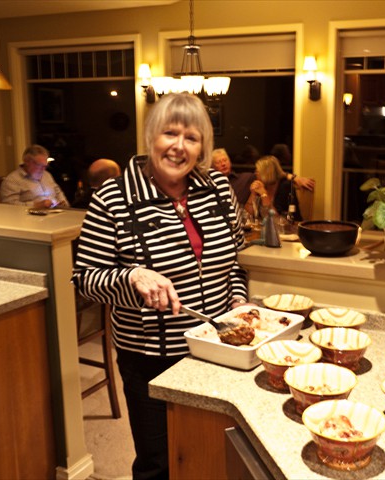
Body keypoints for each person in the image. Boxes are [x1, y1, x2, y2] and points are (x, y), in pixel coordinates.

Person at [72, 93, 249, 480]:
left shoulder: (218, 188)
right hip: (151, 355)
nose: (179, 146)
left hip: (218, 349)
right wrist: (133, 277)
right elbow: (85, 277)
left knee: (209, 451)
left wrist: (238, 301)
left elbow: (234, 259)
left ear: (202, 146)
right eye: (170, 133)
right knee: (159, 462)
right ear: (152, 135)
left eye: (191, 137)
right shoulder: (114, 198)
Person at [212, 147, 315, 206]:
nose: (223, 164)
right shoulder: (210, 184)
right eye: (218, 162)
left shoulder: (245, 178)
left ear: (230, 161)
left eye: (225, 160)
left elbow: (274, 174)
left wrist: (294, 177)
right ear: (212, 166)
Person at [0, 144, 69, 208]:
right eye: (39, 165)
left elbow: (58, 192)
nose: (43, 169)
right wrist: (36, 205)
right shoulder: (12, 180)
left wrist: (63, 203)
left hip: (56, 214)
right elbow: (9, 206)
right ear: (27, 162)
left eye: (45, 166)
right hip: (31, 218)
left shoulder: (47, 175)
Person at [246, 155, 303, 222]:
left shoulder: (285, 187)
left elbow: (276, 220)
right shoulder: (261, 185)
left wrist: (264, 195)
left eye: (258, 171)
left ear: (267, 173)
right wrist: (253, 194)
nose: (255, 174)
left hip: (288, 229)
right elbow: (248, 215)